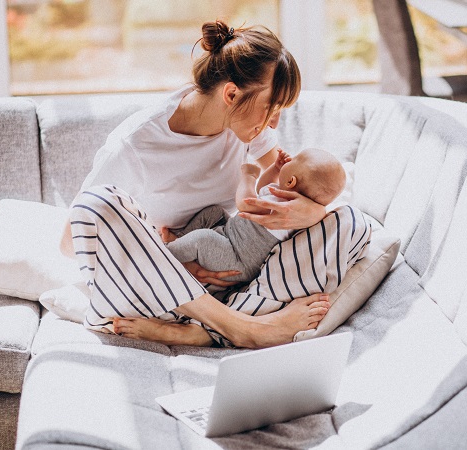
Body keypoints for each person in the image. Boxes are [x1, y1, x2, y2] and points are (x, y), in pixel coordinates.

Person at [61, 20, 342, 349]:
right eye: (270, 107)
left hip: (223, 269)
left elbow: (292, 186)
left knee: (348, 218)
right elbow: (72, 241)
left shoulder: (251, 126)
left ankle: (203, 328)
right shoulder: (136, 144)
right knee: (98, 202)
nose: (275, 121)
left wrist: (312, 211)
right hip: (149, 277)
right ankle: (243, 327)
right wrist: (171, 262)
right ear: (232, 93)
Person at [161, 147, 348, 287]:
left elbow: (246, 203)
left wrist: (248, 176)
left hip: (236, 258)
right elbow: (262, 190)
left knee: (202, 238)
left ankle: (166, 254)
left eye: (296, 158)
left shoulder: (285, 208)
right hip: (231, 235)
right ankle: (182, 239)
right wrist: (275, 169)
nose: (292, 157)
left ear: (291, 181)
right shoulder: (282, 196)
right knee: (214, 212)